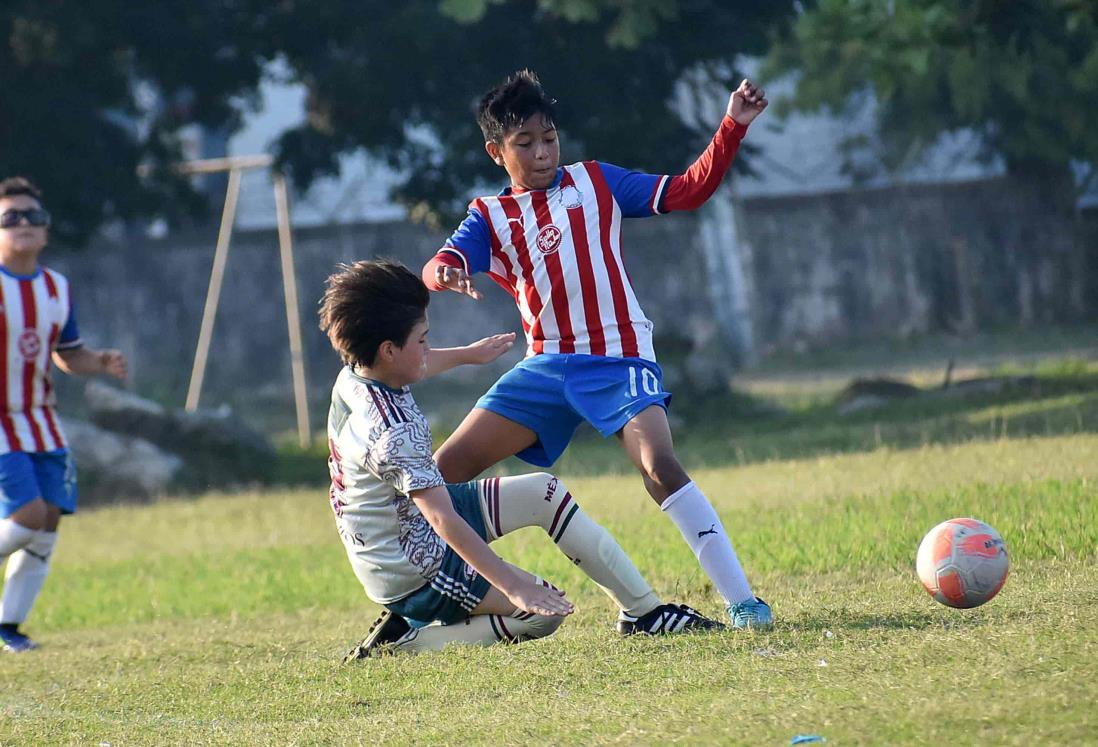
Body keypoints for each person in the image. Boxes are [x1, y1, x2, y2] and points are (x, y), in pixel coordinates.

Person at [421, 70, 773, 628]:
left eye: (549, 138)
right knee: (436, 477)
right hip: (544, 368)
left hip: (618, 357)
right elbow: (443, 262)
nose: (542, 153)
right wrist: (445, 274)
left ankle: (742, 601)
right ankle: (440, 605)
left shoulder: (596, 182)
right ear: (496, 152)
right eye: (525, 143)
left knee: (659, 466)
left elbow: (689, 190)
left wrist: (733, 125)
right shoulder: (489, 214)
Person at [321, 260, 722, 659]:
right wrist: (514, 585)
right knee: (539, 615)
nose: (429, 347)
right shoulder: (394, 432)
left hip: (398, 531)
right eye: (423, 339)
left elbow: (410, 364)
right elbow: (442, 519)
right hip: (413, 567)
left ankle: (644, 614)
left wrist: (467, 355)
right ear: (389, 349)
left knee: (543, 492)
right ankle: (401, 647)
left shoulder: (356, 375)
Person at [0, 177, 128, 653]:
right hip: (0, 423)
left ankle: (9, 626)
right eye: (10, 216)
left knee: (49, 519)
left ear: (47, 230)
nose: (23, 224)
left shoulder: (56, 288)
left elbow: (67, 353)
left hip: (40, 419)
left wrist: (100, 362)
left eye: (33, 215)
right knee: (28, 515)